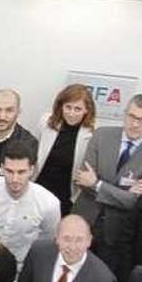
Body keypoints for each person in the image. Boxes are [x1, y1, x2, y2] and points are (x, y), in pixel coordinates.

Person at [73, 93, 142, 280]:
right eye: (132, 116)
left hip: (116, 233)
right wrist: (121, 194)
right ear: (124, 114)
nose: (135, 124)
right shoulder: (101, 135)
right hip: (84, 219)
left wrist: (97, 184)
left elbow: (136, 202)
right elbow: (84, 181)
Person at [0, 141, 61, 268]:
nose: (15, 179)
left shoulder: (49, 204)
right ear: (1, 168)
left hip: (21, 269)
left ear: (32, 170)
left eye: (21, 172)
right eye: (9, 171)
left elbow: (47, 242)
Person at [34, 84, 96, 215]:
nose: (71, 113)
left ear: (87, 110)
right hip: (37, 188)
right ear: (61, 106)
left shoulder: (92, 134)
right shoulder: (45, 122)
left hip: (65, 195)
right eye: (68, 107)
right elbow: (32, 151)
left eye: (78, 109)